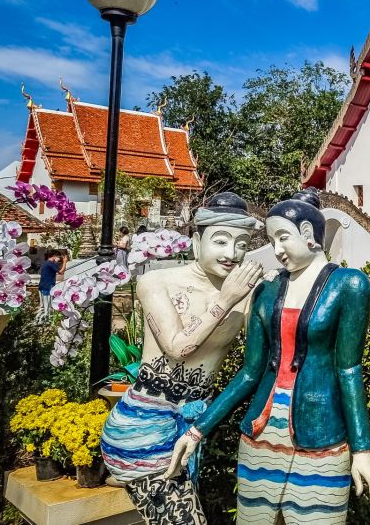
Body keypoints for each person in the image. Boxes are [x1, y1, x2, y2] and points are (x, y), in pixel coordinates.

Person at [165, 188, 370, 524]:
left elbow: (348, 369)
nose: (276, 249)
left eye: (282, 237)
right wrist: (198, 430)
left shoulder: (349, 285)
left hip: (320, 437)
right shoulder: (266, 291)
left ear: (309, 234)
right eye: (271, 239)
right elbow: (250, 373)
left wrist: (363, 450)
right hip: (261, 435)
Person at [101, 193, 264, 524]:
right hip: (142, 429)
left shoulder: (248, 298)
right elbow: (178, 347)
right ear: (196, 242)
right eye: (221, 241)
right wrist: (227, 298)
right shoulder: (156, 281)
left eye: (242, 244)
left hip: (191, 427)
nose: (232, 254)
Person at [36, 250, 66, 324]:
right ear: (54, 256)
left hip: (41, 286)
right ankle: (47, 321)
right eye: (59, 257)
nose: (59, 259)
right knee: (48, 306)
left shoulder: (45, 263)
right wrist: (65, 262)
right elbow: (61, 272)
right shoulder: (51, 264)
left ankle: (39, 320)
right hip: (48, 287)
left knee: (42, 306)